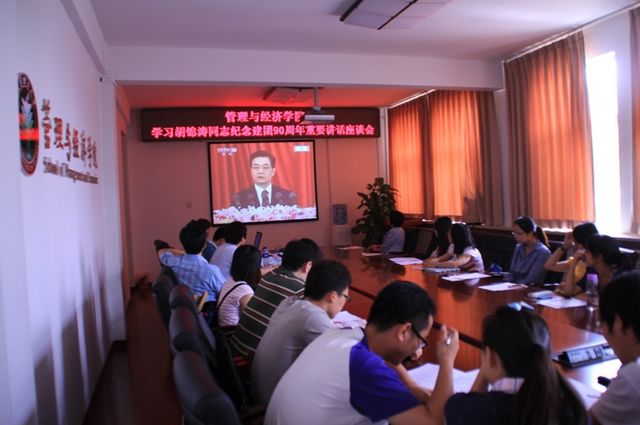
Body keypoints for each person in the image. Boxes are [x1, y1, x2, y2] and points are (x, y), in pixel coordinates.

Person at [265, 281, 460, 425]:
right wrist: (447, 360)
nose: (418, 349)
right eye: (421, 341)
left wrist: (413, 387)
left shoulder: (342, 336)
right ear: (403, 331)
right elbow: (435, 422)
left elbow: (387, 361)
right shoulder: (365, 368)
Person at [444, 305, 588, 425]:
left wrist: (484, 369)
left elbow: (464, 408)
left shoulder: (465, 411)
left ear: (491, 358)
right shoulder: (572, 409)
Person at [252, 260, 352, 404]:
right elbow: (341, 364)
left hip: (260, 390)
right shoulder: (313, 317)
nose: (344, 302)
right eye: (346, 297)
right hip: (275, 402)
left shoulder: (289, 302)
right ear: (333, 296)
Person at [231, 238, 322, 357]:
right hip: (251, 360)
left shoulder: (269, 276)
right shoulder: (299, 289)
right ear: (308, 265)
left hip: (234, 351)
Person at [590, 271, 640, 425]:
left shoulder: (634, 376)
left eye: (602, 323)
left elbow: (588, 421)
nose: (603, 332)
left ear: (618, 323)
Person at [157, 220, 226, 304]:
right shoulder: (211, 271)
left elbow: (161, 251)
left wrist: (184, 252)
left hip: (185, 306)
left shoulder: (173, 262)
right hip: (209, 309)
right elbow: (226, 293)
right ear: (204, 245)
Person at [559, 234, 631, 295]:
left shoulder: (621, 277)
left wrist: (585, 297)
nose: (583, 253)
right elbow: (568, 291)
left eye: (587, 251)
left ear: (599, 257)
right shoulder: (592, 271)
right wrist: (574, 263)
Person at [544, 223, 598, 295]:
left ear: (585, 243)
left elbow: (590, 294)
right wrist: (564, 246)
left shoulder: (595, 266)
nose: (574, 246)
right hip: (571, 296)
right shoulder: (576, 260)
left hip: (577, 297)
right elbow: (548, 266)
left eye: (576, 243)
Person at [215, 244, 262, 327]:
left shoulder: (231, 280)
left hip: (221, 327)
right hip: (231, 331)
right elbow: (249, 320)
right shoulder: (245, 290)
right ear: (255, 267)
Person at [232, 150, 297, 209]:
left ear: (273, 171)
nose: (260, 171)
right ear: (251, 171)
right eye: (256, 167)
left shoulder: (287, 196)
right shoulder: (239, 198)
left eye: (265, 167)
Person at [506, 216, 550, 285]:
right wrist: (506, 284)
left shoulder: (543, 252)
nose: (515, 236)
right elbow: (511, 273)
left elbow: (531, 280)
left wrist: (514, 286)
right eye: (514, 233)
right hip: (513, 286)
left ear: (530, 233)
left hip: (529, 288)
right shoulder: (518, 248)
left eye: (519, 233)